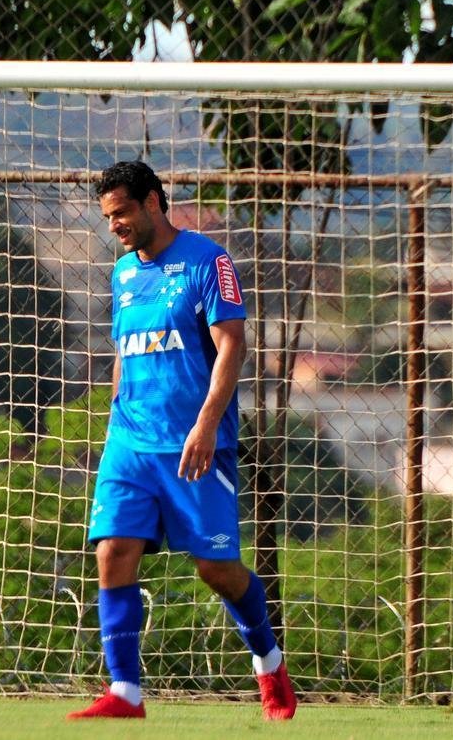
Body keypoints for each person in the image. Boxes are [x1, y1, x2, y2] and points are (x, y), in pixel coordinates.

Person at [67, 161, 296, 721]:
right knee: (112, 551)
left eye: (121, 212)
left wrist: (206, 423)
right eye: (107, 216)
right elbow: (126, 352)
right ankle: (125, 692)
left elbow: (232, 346)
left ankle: (269, 663)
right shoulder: (122, 273)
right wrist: (113, 426)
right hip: (130, 443)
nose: (115, 224)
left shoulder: (207, 260)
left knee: (215, 568)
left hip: (195, 444)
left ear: (152, 202)